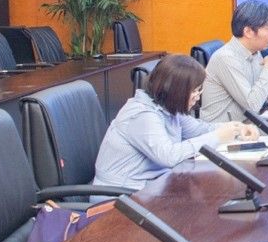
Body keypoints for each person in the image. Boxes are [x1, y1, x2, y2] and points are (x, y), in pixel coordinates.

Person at [94, 54, 254, 189]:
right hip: (121, 195)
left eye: (199, 90)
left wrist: (237, 128)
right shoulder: (142, 114)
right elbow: (168, 156)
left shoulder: (167, 106)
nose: (197, 96)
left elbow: (199, 129)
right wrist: (218, 137)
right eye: (194, 91)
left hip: (152, 186)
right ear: (175, 90)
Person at [200, 0, 268, 122]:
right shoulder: (226, 58)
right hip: (223, 131)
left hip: (247, 126)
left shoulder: (255, 52)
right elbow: (252, 106)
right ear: (248, 32)